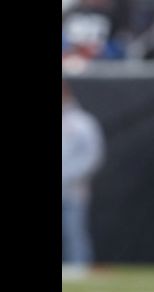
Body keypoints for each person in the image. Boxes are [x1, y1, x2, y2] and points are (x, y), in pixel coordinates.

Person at [62, 80, 105, 268]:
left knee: (74, 232)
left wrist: (69, 176)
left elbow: (92, 156)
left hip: (73, 190)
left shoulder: (82, 123)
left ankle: (79, 268)